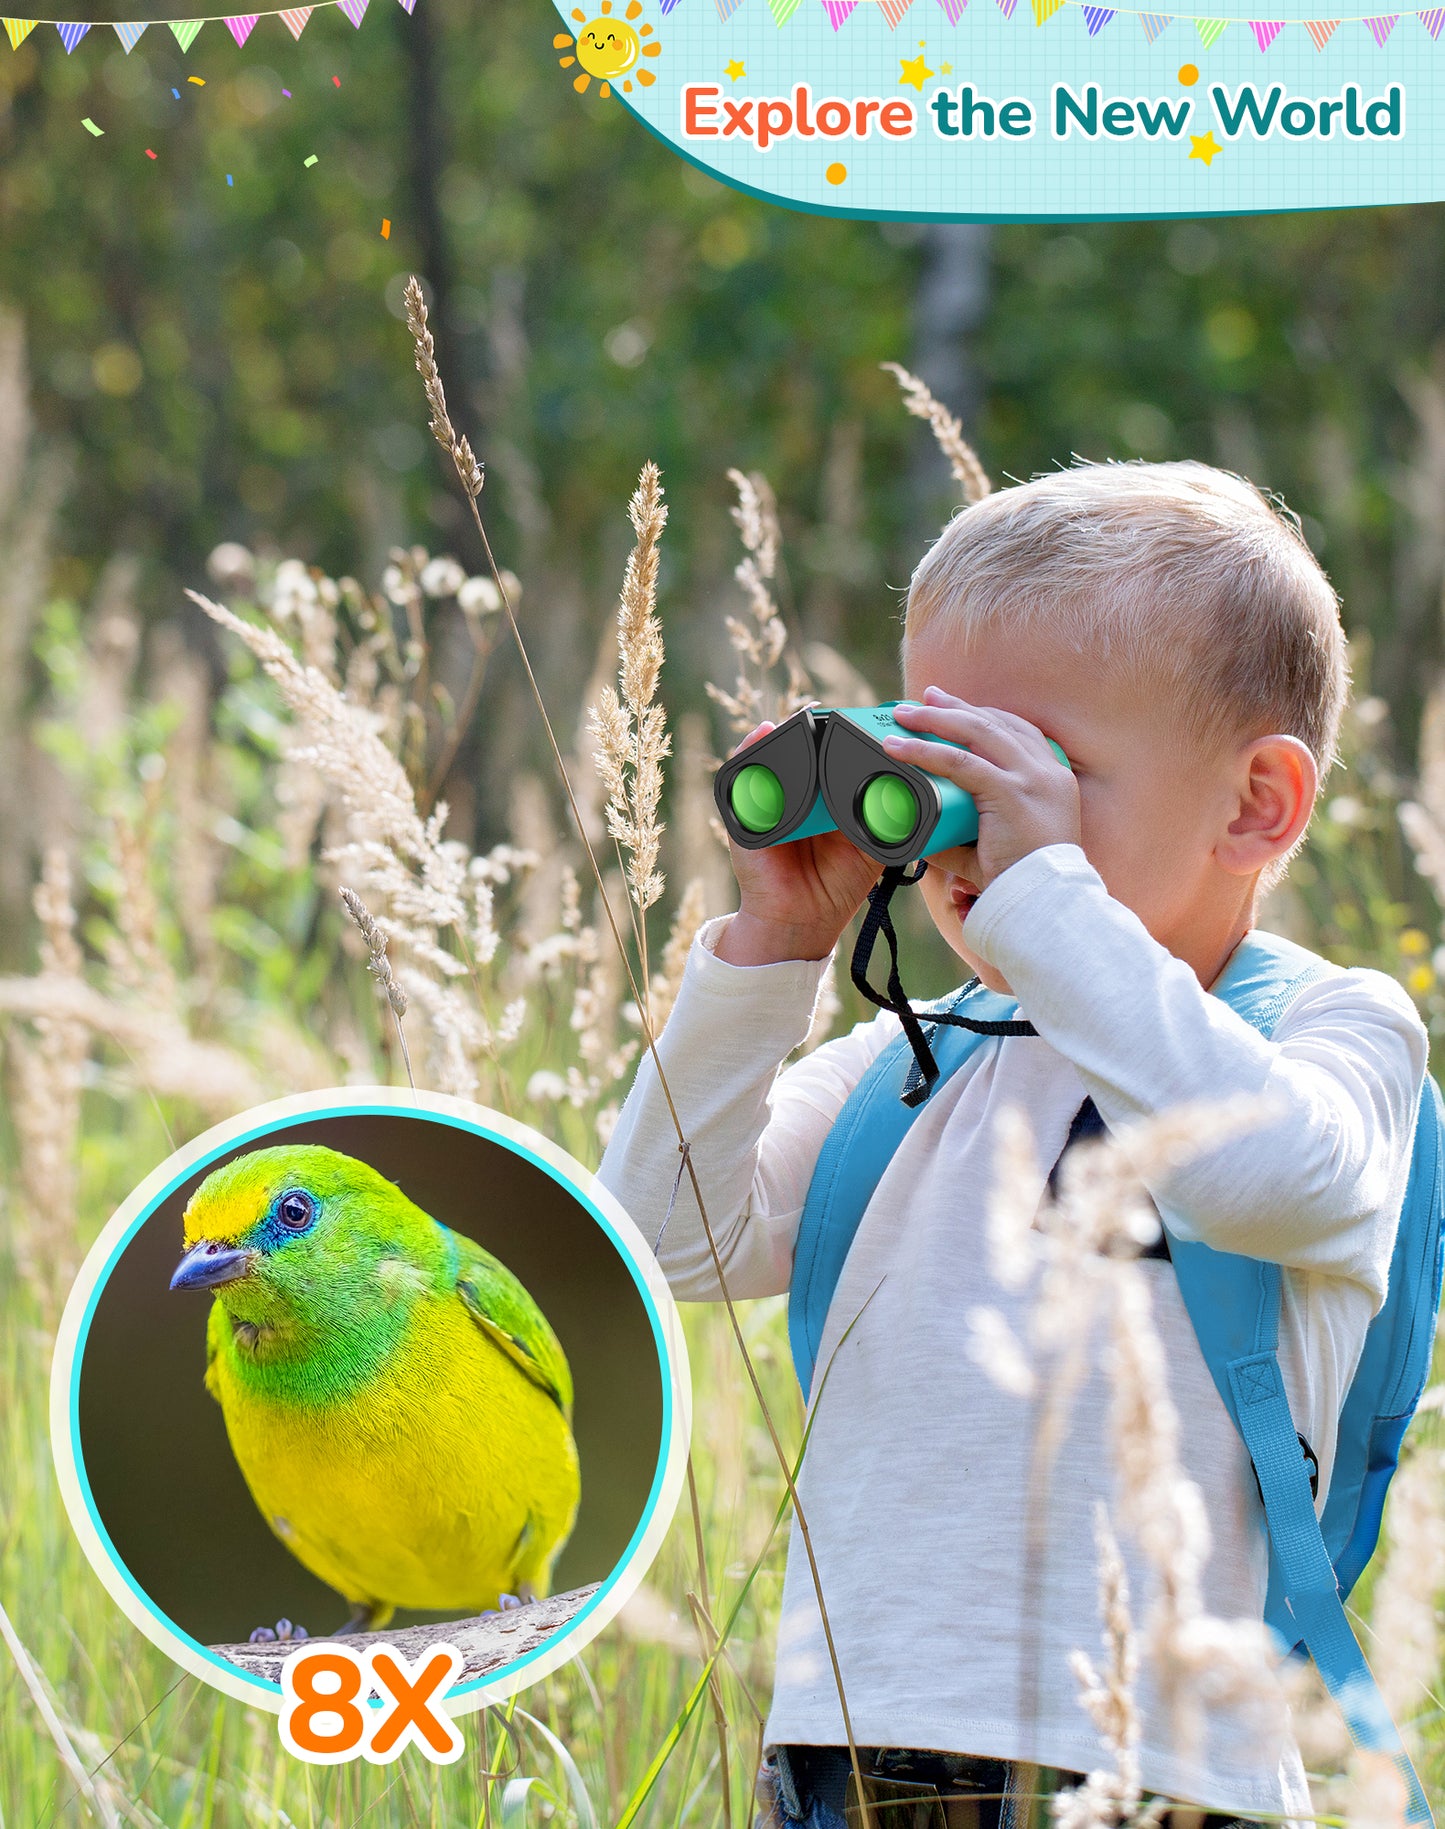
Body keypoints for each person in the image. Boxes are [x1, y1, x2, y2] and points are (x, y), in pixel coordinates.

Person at [598, 461, 1429, 1829]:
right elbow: (663, 1240)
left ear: (1253, 804)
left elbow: (1257, 1169)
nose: (970, 825)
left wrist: (1047, 904)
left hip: (1162, 1766)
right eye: (937, 761)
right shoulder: (914, 1059)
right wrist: (774, 948)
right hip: (854, 1745)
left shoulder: (1333, 1033)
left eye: (1035, 770)